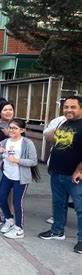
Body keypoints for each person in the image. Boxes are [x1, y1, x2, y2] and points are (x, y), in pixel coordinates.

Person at [39, 96, 82, 254]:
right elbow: (53, 139)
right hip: (57, 172)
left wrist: (79, 170)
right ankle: (57, 231)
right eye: (66, 107)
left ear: (81, 108)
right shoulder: (64, 123)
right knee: (58, 203)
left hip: (74, 175)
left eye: (73, 107)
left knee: (80, 208)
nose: (69, 110)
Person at [0, 119, 39, 239]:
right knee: (1, 198)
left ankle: (19, 227)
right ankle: (9, 219)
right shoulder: (5, 142)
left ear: (22, 130)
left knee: (17, 202)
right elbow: (0, 158)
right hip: (7, 175)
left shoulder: (27, 143)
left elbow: (33, 161)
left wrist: (17, 161)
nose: (12, 130)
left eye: (15, 128)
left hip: (20, 178)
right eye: (10, 127)